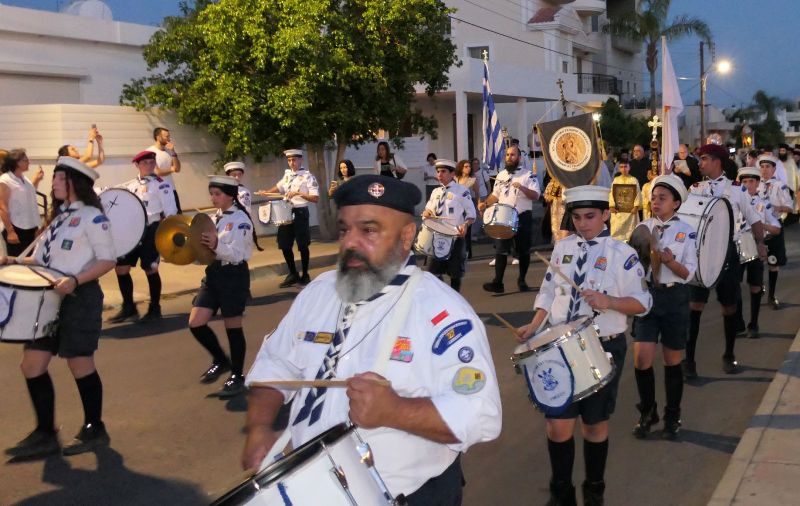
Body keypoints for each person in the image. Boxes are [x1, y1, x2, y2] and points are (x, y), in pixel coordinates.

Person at [241, 175, 501, 502]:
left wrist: (396, 410)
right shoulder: (319, 292)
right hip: (315, 487)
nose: (350, 243)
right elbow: (277, 362)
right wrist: (260, 426)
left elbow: (482, 413)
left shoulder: (442, 312)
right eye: (344, 230)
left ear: (406, 236)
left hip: (409, 494)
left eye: (368, 231)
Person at [516, 185, 651, 506]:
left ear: (605, 214)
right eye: (576, 217)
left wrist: (609, 301)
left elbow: (643, 303)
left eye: (590, 216)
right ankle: (562, 494)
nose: (582, 223)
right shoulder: (563, 248)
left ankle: (594, 491)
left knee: (594, 426)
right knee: (557, 425)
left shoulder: (622, 255)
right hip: (560, 346)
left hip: (602, 346)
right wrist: (534, 325)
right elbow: (549, 293)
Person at [2, 157, 116, 460]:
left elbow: (108, 260)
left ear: (75, 182)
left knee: (79, 363)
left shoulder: (93, 217)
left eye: (59, 177)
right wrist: (12, 260)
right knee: (31, 365)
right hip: (47, 298)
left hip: (79, 296)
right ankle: (46, 433)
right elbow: (41, 259)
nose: (53, 183)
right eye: (54, 177)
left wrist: (75, 280)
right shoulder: (58, 217)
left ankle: (95, 427)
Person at [683, 144, 767, 378]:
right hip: (700, 252)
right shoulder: (696, 189)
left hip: (727, 251)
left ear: (717, 161)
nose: (700, 163)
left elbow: (754, 218)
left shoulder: (737, 190)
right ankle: (689, 360)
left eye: (704, 159)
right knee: (694, 306)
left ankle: (729, 354)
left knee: (729, 306)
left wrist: (760, 243)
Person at [631, 175, 697, 441]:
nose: (655, 202)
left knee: (672, 361)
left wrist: (669, 261)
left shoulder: (687, 231)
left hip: (674, 299)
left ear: (676, 203)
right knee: (641, 359)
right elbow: (632, 265)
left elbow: (688, 273)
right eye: (654, 197)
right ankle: (648, 412)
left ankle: (672, 416)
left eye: (662, 198)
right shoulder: (643, 227)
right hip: (648, 297)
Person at [189, 175, 258, 398]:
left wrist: (217, 244)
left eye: (217, 194)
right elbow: (205, 253)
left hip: (233, 275)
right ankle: (220, 360)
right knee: (196, 323)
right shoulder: (212, 218)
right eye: (211, 194)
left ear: (230, 196)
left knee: (233, 327)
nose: (213, 198)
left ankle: (237, 375)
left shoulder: (241, 220)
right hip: (214, 274)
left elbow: (238, 254)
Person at [109, 151, 178, 323]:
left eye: (151, 162)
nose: (149, 165)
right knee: (121, 268)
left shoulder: (161, 185)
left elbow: (171, 210)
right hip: (131, 230)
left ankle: (155, 308)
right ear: (137, 165)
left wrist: (167, 233)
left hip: (151, 228)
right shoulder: (130, 185)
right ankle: (129, 307)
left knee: (150, 268)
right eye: (145, 163)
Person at [479, 145, 541, 293]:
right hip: (503, 216)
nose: (509, 157)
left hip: (522, 216)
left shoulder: (528, 175)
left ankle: (522, 280)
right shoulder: (501, 175)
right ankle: (498, 283)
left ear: (519, 157)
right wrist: (485, 204)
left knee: (523, 250)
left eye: (513, 155)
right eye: (507, 155)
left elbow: (536, 195)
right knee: (501, 250)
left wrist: (522, 188)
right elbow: (495, 195)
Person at [257, 149, 319, 288]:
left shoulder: (308, 176)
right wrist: (266, 192)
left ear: (300, 160)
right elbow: (279, 187)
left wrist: (298, 193)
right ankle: (292, 273)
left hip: (300, 211)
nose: (292, 163)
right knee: (284, 244)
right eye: (289, 160)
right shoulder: (287, 175)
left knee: (303, 245)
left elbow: (315, 198)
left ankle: (305, 274)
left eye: (294, 160)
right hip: (285, 211)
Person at [736, 167, 780, 338]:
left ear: (757, 183)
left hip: (755, 245)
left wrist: (762, 226)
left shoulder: (763, 204)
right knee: (734, 285)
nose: (747, 185)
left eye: (751, 181)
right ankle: (738, 321)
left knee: (755, 286)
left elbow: (776, 228)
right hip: (737, 246)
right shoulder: (734, 202)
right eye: (744, 181)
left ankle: (753, 323)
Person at [422, 159, 476, 292]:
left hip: (455, 237)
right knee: (432, 274)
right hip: (436, 237)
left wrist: (466, 224)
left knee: (455, 275)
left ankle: (455, 299)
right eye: (438, 171)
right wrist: (427, 213)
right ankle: (444, 295)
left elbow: (471, 214)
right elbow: (428, 210)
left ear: (452, 174)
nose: (439, 174)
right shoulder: (436, 192)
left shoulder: (461, 191)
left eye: (443, 171)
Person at [757, 155, 793, 310]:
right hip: (758, 227)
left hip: (774, 226)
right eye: (762, 166)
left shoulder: (780, 185)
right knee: (756, 262)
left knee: (773, 262)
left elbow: (790, 207)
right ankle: (758, 290)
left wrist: (777, 207)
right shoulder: (755, 184)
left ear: (774, 169)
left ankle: (771, 295)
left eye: (768, 167)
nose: (764, 170)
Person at [0, 149, 43, 256]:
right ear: (17, 162)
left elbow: (28, 194)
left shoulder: (24, 178)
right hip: (17, 228)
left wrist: (37, 179)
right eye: (25, 160)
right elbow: (2, 207)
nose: (29, 162)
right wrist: (10, 231)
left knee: (31, 259)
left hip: (31, 227)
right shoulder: (5, 180)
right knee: (17, 261)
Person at [147, 127, 182, 213]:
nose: (169, 139)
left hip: (171, 189)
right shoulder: (150, 152)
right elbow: (156, 172)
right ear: (158, 137)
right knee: (162, 218)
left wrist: (173, 151)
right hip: (158, 192)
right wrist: (172, 169)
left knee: (177, 216)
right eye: (166, 136)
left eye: (169, 136)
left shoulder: (169, 151)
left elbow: (177, 168)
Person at [609, 160, 641, 241]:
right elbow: (612, 193)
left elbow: (638, 194)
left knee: (630, 233)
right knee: (617, 233)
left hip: (631, 212)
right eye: (621, 167)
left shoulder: (633, 180)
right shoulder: (616, 180)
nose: (624, 169)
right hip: (618, 211)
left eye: (626, 167)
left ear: (629, 168)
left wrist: (636, 206)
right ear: (619, 168)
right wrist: (612, 206)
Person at [455, 159, 479, 259]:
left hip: (468, 205)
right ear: (461, 168)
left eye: (469, 166)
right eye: (466, 167)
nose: (468, 168)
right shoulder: (455, 179)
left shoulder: (472, 180)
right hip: (457, 205)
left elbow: (477, 193)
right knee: (457, 228)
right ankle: (458, 250)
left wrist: (478, 205)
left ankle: (468, 251)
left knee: (467, 229)